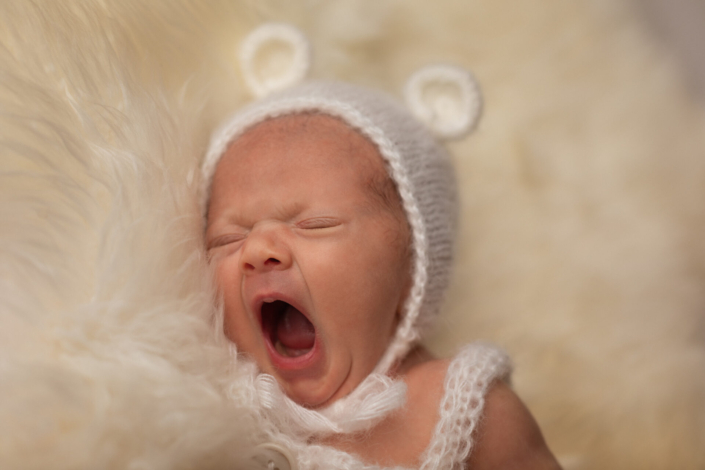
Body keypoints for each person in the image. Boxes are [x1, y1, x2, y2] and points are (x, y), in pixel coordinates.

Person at [201, 80, 561, 469]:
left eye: (316, 224)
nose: (257, 250)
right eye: (228, 238)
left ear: (411, 275)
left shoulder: (459, 413)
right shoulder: (214, 414)